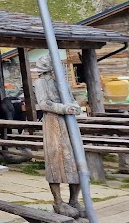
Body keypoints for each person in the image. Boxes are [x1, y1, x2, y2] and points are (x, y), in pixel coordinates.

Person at [32, 54, 86, 220]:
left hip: (69, 124)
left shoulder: (61, 82)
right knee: (56, 161)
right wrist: (64, 108)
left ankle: (73, 201)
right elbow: (43, 103)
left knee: (75, 160)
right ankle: (58, 201)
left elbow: (70, 99)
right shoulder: (40, 82)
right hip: (53, 124)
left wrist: (75, 106)